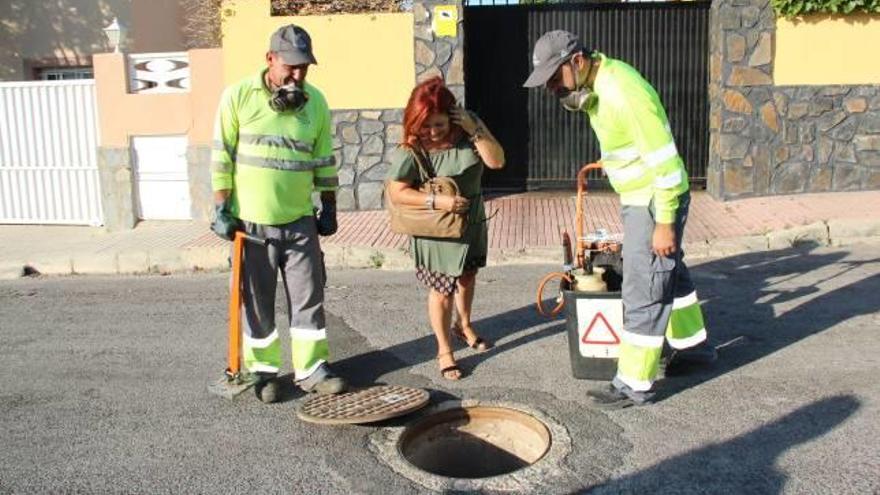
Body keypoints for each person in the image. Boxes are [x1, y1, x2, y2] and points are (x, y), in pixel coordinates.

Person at [524, 30, 716, 408]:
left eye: (554, 79)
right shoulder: (601, 84)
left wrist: (663, 221)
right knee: (670, 273)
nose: (552, 90)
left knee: (644, 288)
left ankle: (633, 383)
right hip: (640, 198)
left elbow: (665, 163)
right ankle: (694, 348)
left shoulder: (622, 92)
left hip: (654, 200)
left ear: (576, 61)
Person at [210, 24, 345, 403]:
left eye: (305, 67)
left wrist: (329, 205)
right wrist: (221, 206)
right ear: (270, 59)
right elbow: (221, 156)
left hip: (300, 220)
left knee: (309, 299)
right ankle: (264, 372)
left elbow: (323, 160)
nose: (298, 75)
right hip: (251, 224)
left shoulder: (315, 102)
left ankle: (312, 370)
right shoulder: (237, 97)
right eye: (292, 66)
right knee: (257, 302)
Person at [386, 77, 505, 381]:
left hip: (471, 220)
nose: (433, 132)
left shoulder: (467, 129)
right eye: (425, 125)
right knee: (442, 291)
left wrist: (472, 127)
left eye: (439, 124)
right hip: (436, 227)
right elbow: (397, 192)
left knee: (467, 277)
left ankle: (463, 326)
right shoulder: (412, 147)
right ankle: (444, 350)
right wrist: (439, 202)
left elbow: (496, 161)